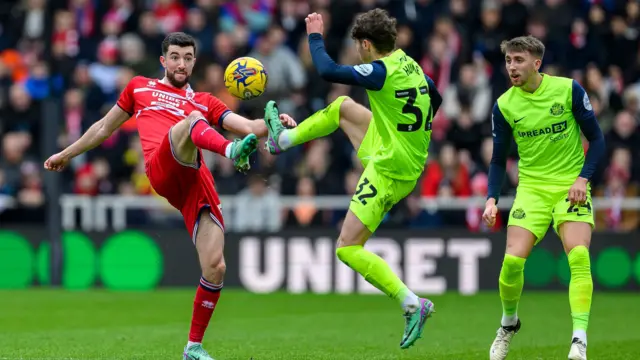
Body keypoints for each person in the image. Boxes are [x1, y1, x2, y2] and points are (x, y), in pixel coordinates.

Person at [43, 32, 296, 360]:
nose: (181, 63)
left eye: (187, 57)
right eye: (175, 56)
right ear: (163, 60)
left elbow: (247, 125)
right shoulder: (139, 87)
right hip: (162, 165)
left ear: (194, 61)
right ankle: (231, 151)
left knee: (216, 266)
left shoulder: (205, 100)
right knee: (191, 122)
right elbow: (104, 128)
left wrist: (275, 122)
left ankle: (193, 347)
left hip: (195, 180)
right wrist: (67, 154)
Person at [261, 9, 442, 349]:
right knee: (343, 108)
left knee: (347, 247)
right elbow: (437, 98)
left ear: (366, 44)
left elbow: (328, 70)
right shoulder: (411, 64)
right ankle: (282, 140)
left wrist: (315, 34)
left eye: (358, 45)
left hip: (390, 170)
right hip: (400, 152)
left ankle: (412, 303)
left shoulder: (380, 71)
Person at [483, 35, 605, 360]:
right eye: (508, 60)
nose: (512, 66)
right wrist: (491, 199)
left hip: (570, 185)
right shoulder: (504, 105)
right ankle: (508, 323)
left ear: (537, 63)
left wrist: (583, 178)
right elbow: (498, 160)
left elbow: (598, 139)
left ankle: (579, 340)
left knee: (578, 256)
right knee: (511, 263)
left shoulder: (568, 90)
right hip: (532, 189)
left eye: (518, 60)